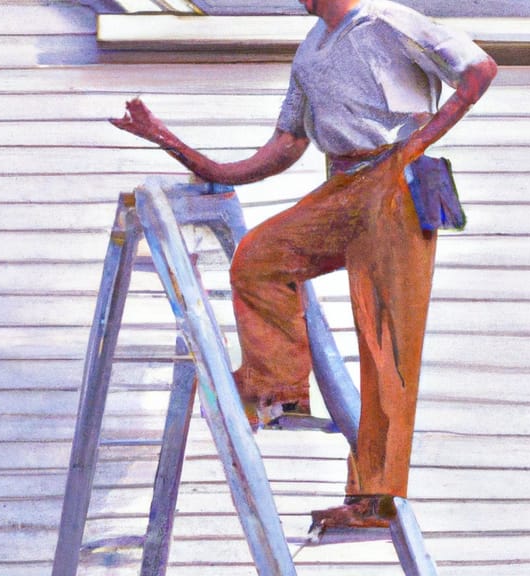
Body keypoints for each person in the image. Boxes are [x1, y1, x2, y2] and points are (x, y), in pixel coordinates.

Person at [112, 0, 496, 528]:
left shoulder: (386, 20)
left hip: (395, 184)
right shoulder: (311, 49)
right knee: (258, 259)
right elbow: (283, 147)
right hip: (342, 185)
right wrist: (176, 146)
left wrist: (415, 147)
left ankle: (374, 500)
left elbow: (479, 70)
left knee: (387, 342)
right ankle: (278, 394)